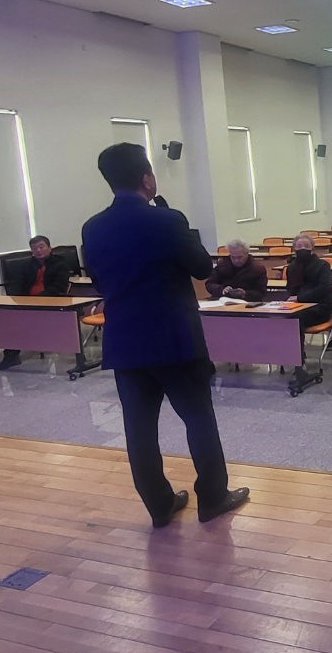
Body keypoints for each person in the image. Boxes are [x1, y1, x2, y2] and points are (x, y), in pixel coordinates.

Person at [81, 143, 248, 527]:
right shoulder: (166, 219)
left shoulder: (92, 227)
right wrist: (180, 226)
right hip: (175, 340)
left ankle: (159, 505)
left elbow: (99, 280)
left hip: (125, 341)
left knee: (139, 430)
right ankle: (213, 498)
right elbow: (202, 267)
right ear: (147, 179)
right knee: (198, 418)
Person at [0, 235, 73, 369]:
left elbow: (59, 287)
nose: (38, 250)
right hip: (27, 302)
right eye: (34, 248)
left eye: (41, 247)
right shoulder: (26, 265)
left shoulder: (60, 264)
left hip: (51, 301)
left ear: (49, 248)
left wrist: (39, 298)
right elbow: (17, 283)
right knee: (11, 319)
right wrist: (16, 298)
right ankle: (11, 356)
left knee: (20, 320)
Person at [283, 234, 332, 329]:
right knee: (280, 315)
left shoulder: (322, 265)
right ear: (294, 249)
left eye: (306, 246)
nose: (303, 248)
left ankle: (296, 339)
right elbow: (290, 289)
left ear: (312, 249)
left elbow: (323, 288)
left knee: (296, 318)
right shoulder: (291, 267)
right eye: (299, 246)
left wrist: (300, 298)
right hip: (297, 305)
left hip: (319, 306)